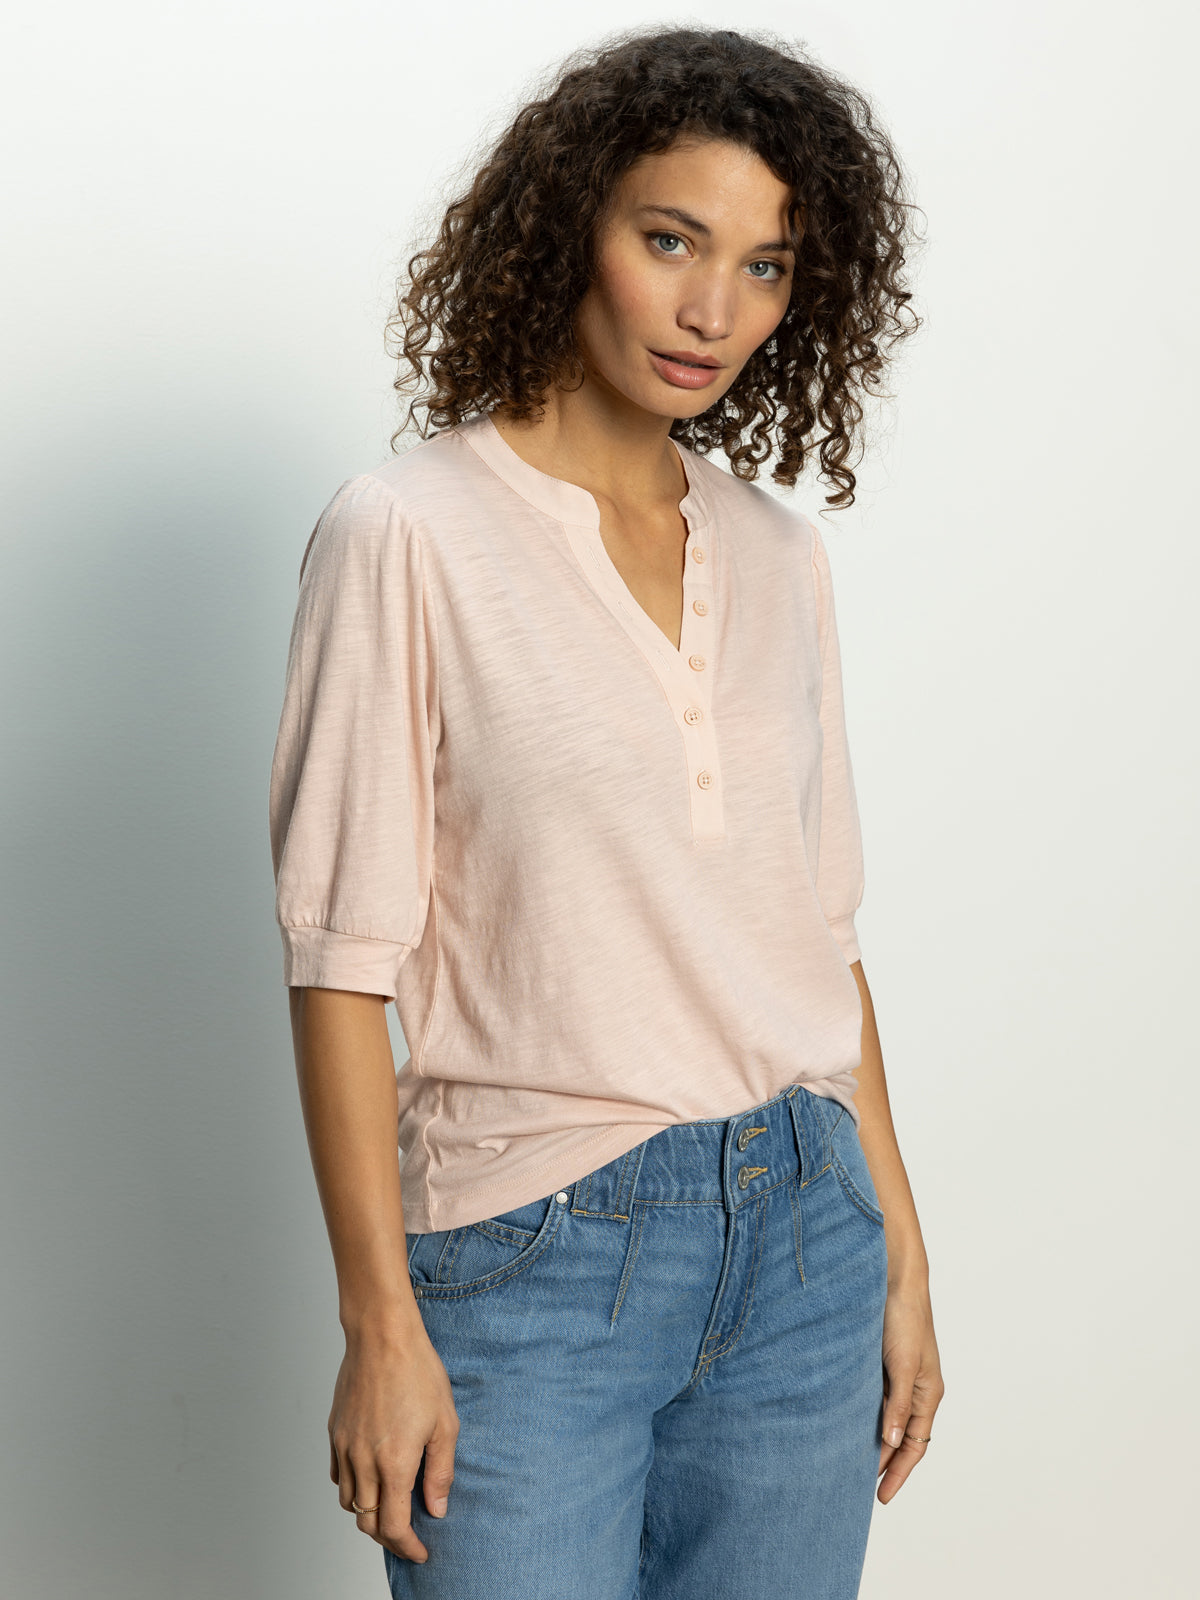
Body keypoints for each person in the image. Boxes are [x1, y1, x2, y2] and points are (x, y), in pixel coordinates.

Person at [268, 24, 943, 1600]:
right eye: (671, 241)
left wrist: (903, 1255)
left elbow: (821, 940)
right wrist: (380, 1326)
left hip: (807, 1236)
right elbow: (340, 966)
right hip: (534, 1253)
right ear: (572, 224)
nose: (716, 310)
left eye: (767, 267)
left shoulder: (780, 557)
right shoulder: (408, 533)